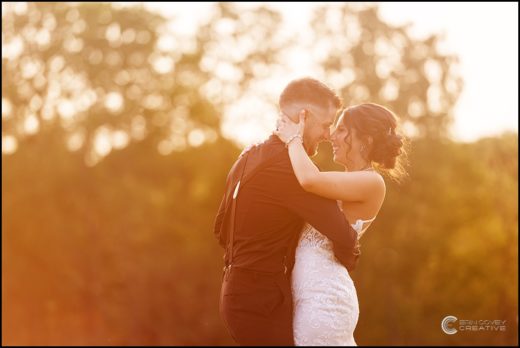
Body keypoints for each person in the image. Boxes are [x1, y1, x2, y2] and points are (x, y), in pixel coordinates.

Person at [213, 77, 361, 345]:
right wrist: (340, 265)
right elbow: (343, 234)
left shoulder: (248, 155)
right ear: (303, 117)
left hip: (235, 292)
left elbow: (220, 230)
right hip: (262, 299)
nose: (328, 135)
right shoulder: (287, 170)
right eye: (326, 125)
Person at [274, 102, 407, 345]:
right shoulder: (342, 182)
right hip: (305, 297)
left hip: (325, 302)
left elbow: (308, 179)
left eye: (343, 130)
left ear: (365, 140)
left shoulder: (373, 183)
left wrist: (293, 139)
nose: (332, 135)